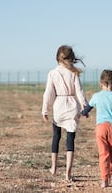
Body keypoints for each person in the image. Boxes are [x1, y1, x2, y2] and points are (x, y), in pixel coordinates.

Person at [42, 45, 88, 181]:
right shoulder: (74, 73)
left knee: (56, 137)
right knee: (70, 140)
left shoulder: (52, 73)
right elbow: (80, 91)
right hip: (72, 106)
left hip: (58, 106)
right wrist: (85, 107)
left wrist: (45, 109)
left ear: (57, 58)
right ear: (71, 58)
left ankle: (54, 167)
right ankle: (68, 173)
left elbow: (48, 94)